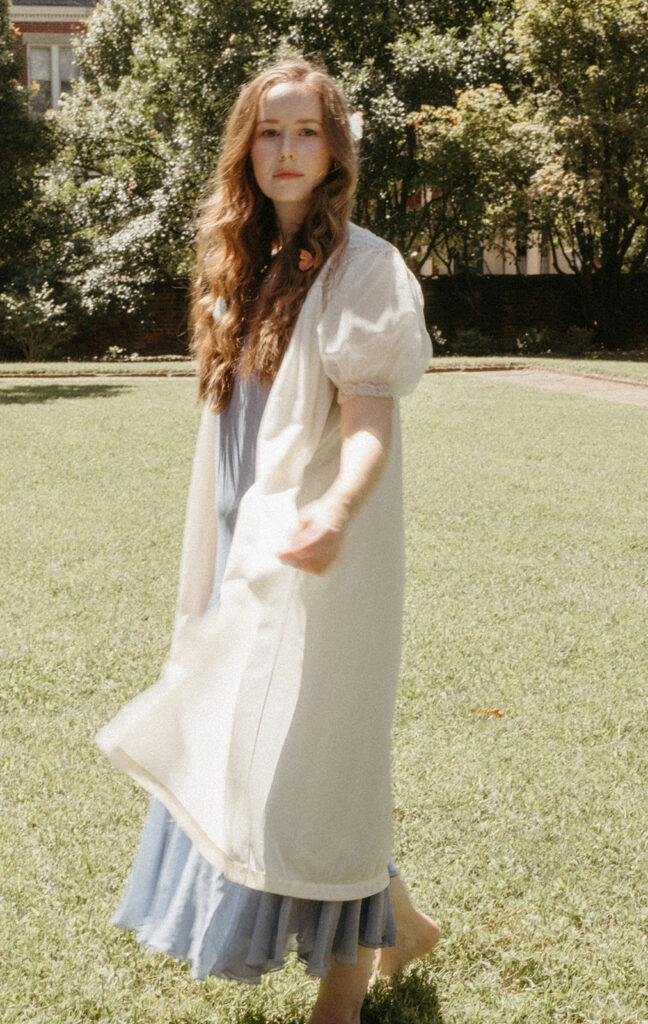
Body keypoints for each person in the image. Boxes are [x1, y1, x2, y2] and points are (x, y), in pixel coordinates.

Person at [96, 58, 438, 1024]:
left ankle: (344, 989)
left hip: (315, 540)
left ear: (335, 151)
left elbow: (368, 421)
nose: (287, 152)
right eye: (270, 131)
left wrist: (333, 512)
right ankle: (400, 921)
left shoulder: (365, 270)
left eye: (308, 133)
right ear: (246, 145)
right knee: (243, 744)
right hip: (238, 531)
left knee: (314, 753)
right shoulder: (241, 258)